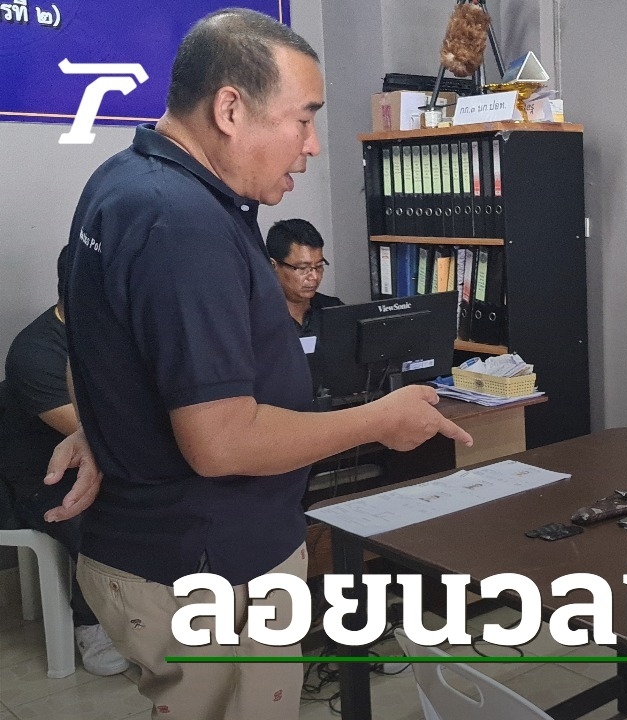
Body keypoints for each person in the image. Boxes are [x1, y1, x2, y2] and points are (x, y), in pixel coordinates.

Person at [47, 9, 472, 719]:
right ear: (230, 109)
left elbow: (96, 343)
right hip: (207, 566)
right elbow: (221, 444)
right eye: (303, 119)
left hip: (166, 551)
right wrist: (378, 419)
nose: (311, 145)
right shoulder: (182, 221)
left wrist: (103, 425)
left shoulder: (124, 182)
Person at [0, 247, 128, 676]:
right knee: (98, 517)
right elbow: (92, 435)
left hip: (109, 460)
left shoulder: (117, 334)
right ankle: (92, 625)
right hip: (43, 478)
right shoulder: (35, 351)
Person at [266, 218, 342, 335]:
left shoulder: (334, 310)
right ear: (273, 266)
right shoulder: (256, 317)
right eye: (303, 268)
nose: (314, 277)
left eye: (319, 266)